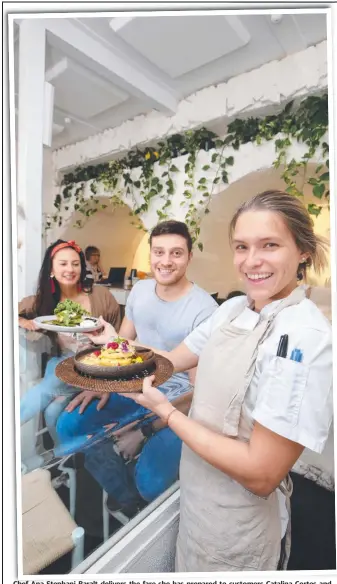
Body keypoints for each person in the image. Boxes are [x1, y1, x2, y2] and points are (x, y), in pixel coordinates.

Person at [90, 190, 332, 571]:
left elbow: (261, 473)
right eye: (241, 247)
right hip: (197, 500)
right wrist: (113, 341)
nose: (251, 262)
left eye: (269, 245)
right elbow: (169, 359)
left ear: (302, 250)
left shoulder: (303, 338)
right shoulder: (234, 309)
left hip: (239, 524)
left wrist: (167, 416)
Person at [55, 220, 218, 512]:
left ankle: (131, 479)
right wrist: (103, 384)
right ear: (150, 255)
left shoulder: (205, 310)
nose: (166, 261)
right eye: (159, 252)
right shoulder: (140, 291)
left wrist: (145, 431)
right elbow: (119, 346)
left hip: (178, 404)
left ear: (189, 257)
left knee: (151, 483)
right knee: (69, 426)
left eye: (176, 253)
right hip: (134, 388)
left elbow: (198, 393)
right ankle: (127, 497)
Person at [19, 239, 121, 444]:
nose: (70, 269)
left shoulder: (101, 295)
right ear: (51, 269)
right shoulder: (45, 300)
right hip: (64, 362)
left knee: (46, 395)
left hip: (97, 365)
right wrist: (25, 321)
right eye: (63, 264)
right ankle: (66, 461)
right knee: (53, 411)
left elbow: (118, 338)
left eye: (75, 264)